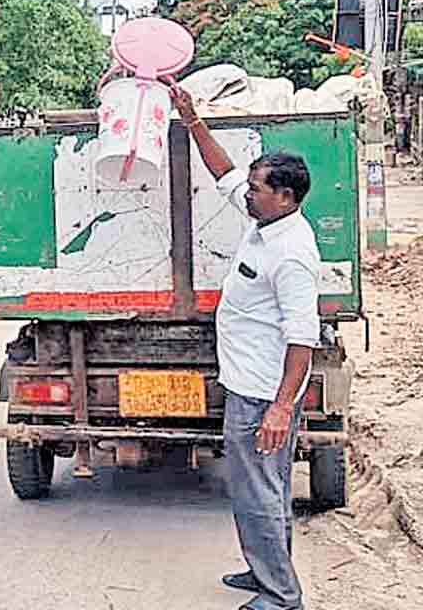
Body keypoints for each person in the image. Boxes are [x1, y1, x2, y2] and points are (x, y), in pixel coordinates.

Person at [167, 81, 319, 610]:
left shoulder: (293, 253)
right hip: (249, 385)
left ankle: (280, 596)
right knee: (267, 490)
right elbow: (223, 172)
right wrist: (191, 119)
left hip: (261, 394)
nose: (246, 192)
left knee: (257, 493)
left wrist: (280, 407)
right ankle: (266, 572)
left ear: (285, 195)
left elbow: (303, 338)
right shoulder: (265, 220)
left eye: (257, 188)